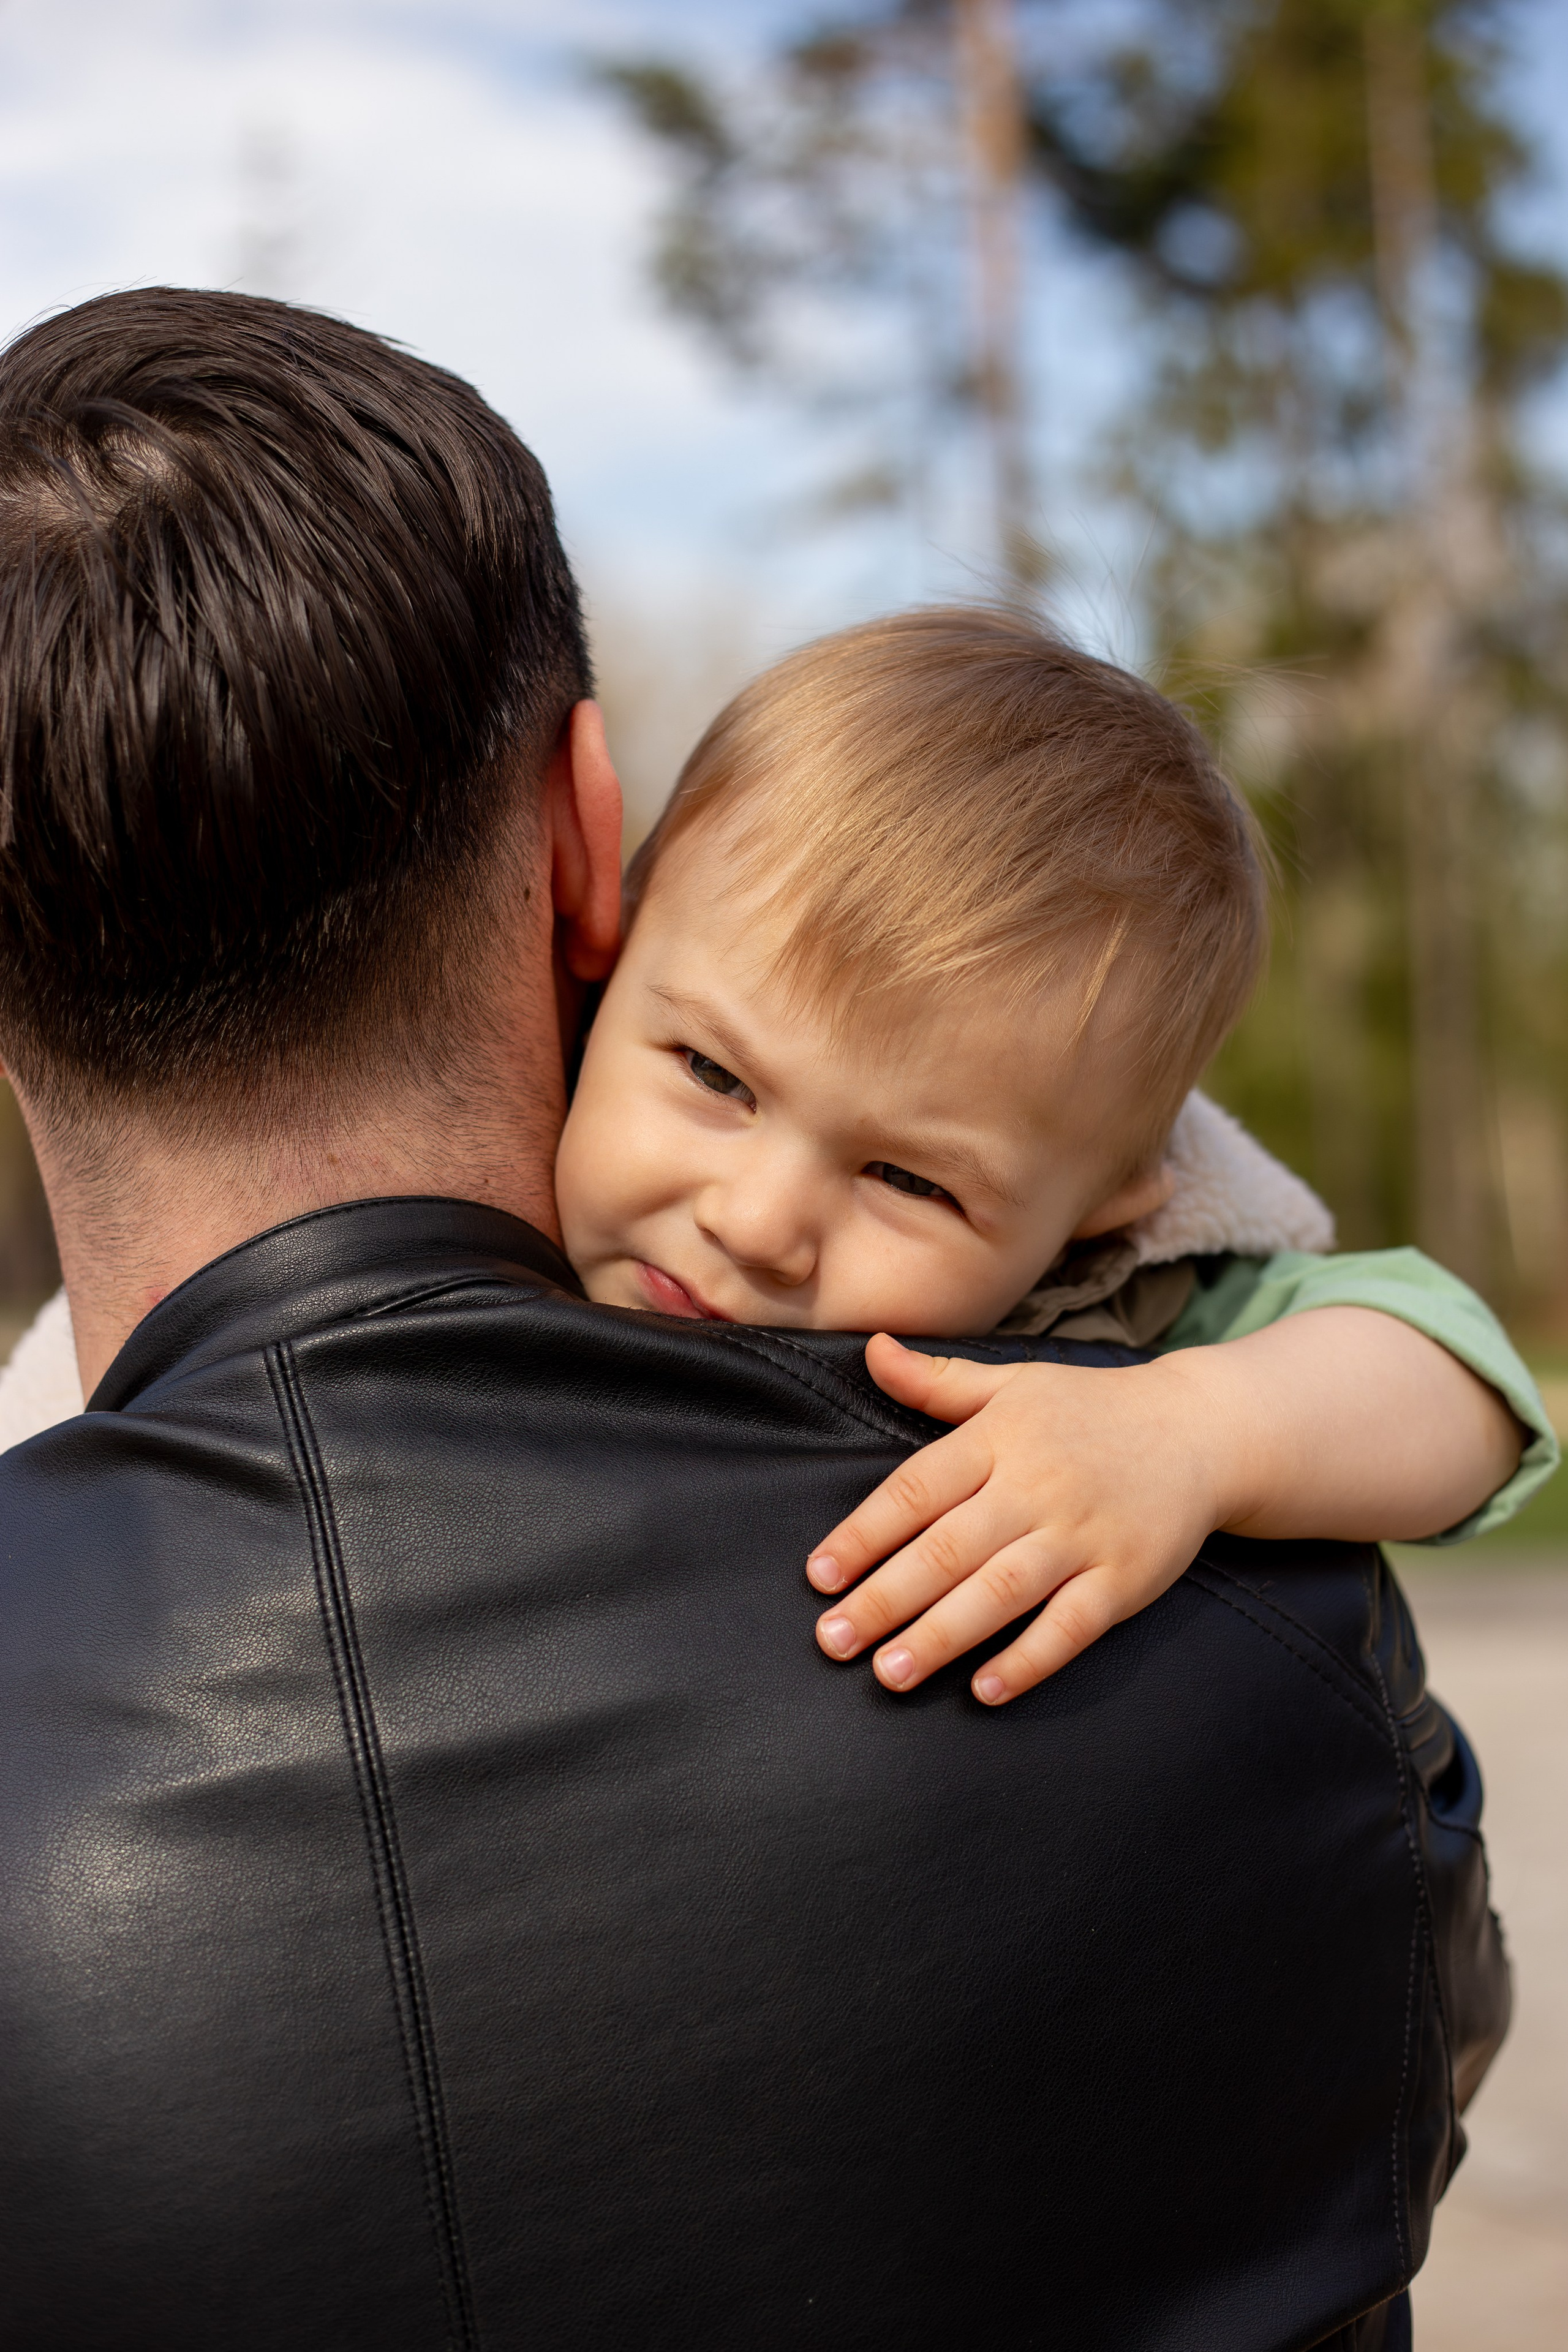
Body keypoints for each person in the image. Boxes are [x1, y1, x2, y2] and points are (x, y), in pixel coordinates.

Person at [0, 288, 1507, 2350]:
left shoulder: (1137, 1356)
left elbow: (1450, 1366)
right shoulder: (1285, 1667)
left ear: (1112, 1203)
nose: (763, 1219)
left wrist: (1198, 1435)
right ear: (593, 867)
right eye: (710, 1081)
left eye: (911, 1181)